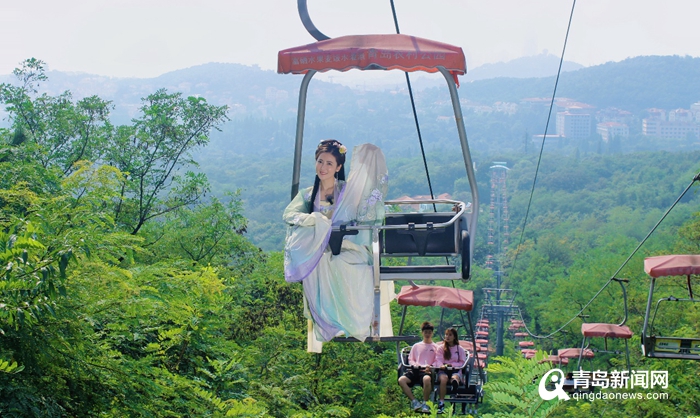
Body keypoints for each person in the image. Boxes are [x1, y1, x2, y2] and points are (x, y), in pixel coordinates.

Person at [283, 139, 394, 352]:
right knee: (322, 264)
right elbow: (289, 214)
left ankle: (356, 319)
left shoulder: (346, 191)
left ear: (339, 167)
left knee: (349, 266)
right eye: (320, 162)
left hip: (347, 246)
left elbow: (366, 200)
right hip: (321, 250)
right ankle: (329, 320)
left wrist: (368, 158)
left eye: (329, 164)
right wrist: (315, 219)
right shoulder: (308, 194)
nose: (323, 168)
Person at [398, 321, 438, 413]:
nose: (427, 334)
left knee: (427, 379)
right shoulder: (416, 346)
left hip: (426, 371)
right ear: (422, 333)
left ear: (432, 333)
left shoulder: (435, 347)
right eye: (425, 332)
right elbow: (411, 358)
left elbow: (437, 360)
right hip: (415, 369)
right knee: (401, 380)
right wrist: (414, 364)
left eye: (429, 332)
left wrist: (431, 366)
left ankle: (425, 403)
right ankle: (414, 401)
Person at [435, 327, 467, 414]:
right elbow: (438, 359)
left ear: (454, 337)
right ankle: (441, 402)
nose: (447, 337)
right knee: (444, 379)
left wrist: (452, 365)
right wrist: (441, 365)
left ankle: (454, 384)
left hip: (455, 370)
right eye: (446, 334)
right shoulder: (441, 348)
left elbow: (462, 362)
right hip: (443, 370)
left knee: (455, 377)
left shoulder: (459, 349)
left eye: (450, 335)